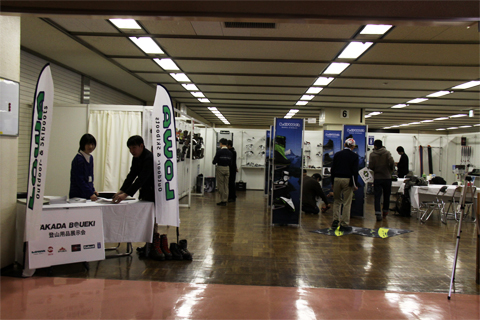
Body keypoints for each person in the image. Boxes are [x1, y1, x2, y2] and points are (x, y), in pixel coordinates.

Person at [113, 135, 154, 204]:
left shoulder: (149, 157)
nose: (131, 151)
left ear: (141, 146)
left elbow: (141, 178)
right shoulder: (136, 157)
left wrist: (125, 195)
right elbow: (131, 175)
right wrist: (122, 190)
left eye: (134, 148)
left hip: (154, 191)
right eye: (130, 148)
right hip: (144, 191)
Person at [330, 138, 359, 232]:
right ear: (353, 146)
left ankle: (335, 220)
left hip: (337, 179)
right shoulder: (354, 156)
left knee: (337, 200)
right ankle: (344, 224)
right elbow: (355, 172)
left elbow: (332, 169)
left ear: (345, 144)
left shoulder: (337, 154)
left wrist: (332, 182)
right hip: (348, 180)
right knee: (347, 202)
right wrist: (355, 184)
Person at [369, 140, 395, 221]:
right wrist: (390, 170)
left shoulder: (372, 155)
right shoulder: (387, 153)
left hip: (377, 177)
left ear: (375, 146)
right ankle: (385, 211)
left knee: (377, 196)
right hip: (387, 177)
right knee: (387, 195)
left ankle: (378, 213)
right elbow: (392, 163)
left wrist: (376, 169)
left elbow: (371, 166)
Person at [69, 133, 99, 201]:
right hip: (78, 196)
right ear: (83, 144)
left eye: (92, 144)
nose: (91, 146)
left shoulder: (90, 158)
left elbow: (90, 178)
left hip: (87, 195)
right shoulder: (78, 159)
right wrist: (90, 193)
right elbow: (80, 180)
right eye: (88, 144)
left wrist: (92, 190)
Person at [212, 138, 232, 206]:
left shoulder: (219, 152)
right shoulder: (230, 152)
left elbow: (214, 161)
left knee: (220, 185)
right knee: (226, 185)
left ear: (221, 144)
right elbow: (231, 162)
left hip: (220, 168)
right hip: (227, 168)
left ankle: (223, 200)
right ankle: (225, 199)